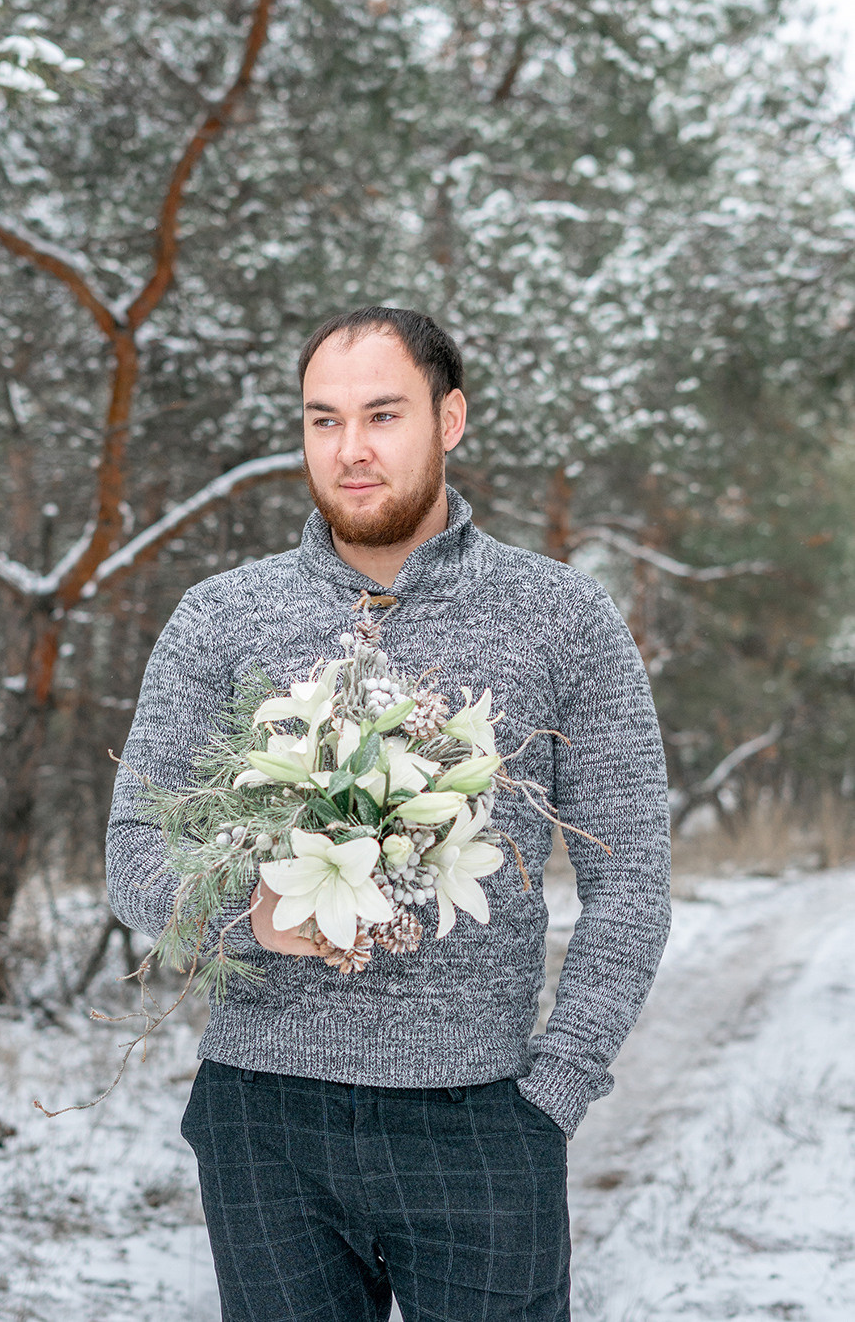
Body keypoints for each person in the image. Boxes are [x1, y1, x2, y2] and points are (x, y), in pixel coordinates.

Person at [106, 305, 671, 1322]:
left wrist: (554, 1092)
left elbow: (630, 876)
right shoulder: (224, 615)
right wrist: (252, 917)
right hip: (263, 1118)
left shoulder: (561, 616)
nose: (351, 449)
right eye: (323, 420)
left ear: (449, 419)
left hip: (484, 1120)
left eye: (382, 414)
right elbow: (135, 847)